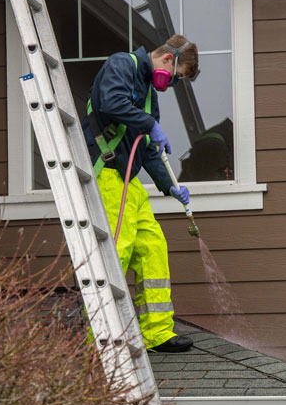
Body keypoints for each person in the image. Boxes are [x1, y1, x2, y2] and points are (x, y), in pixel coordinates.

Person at [82, 34, 199, 353]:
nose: (172, 85)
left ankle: (157, 332)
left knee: (152, 247)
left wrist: (170, 185)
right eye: (176, 78)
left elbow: (147, 150)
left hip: (127, 178)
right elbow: (111, 102)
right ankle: (100, 334)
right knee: (117, 248)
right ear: (166, 60)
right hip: (105, 171)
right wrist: (150, 124)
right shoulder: (121, 63)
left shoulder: (148, 95)